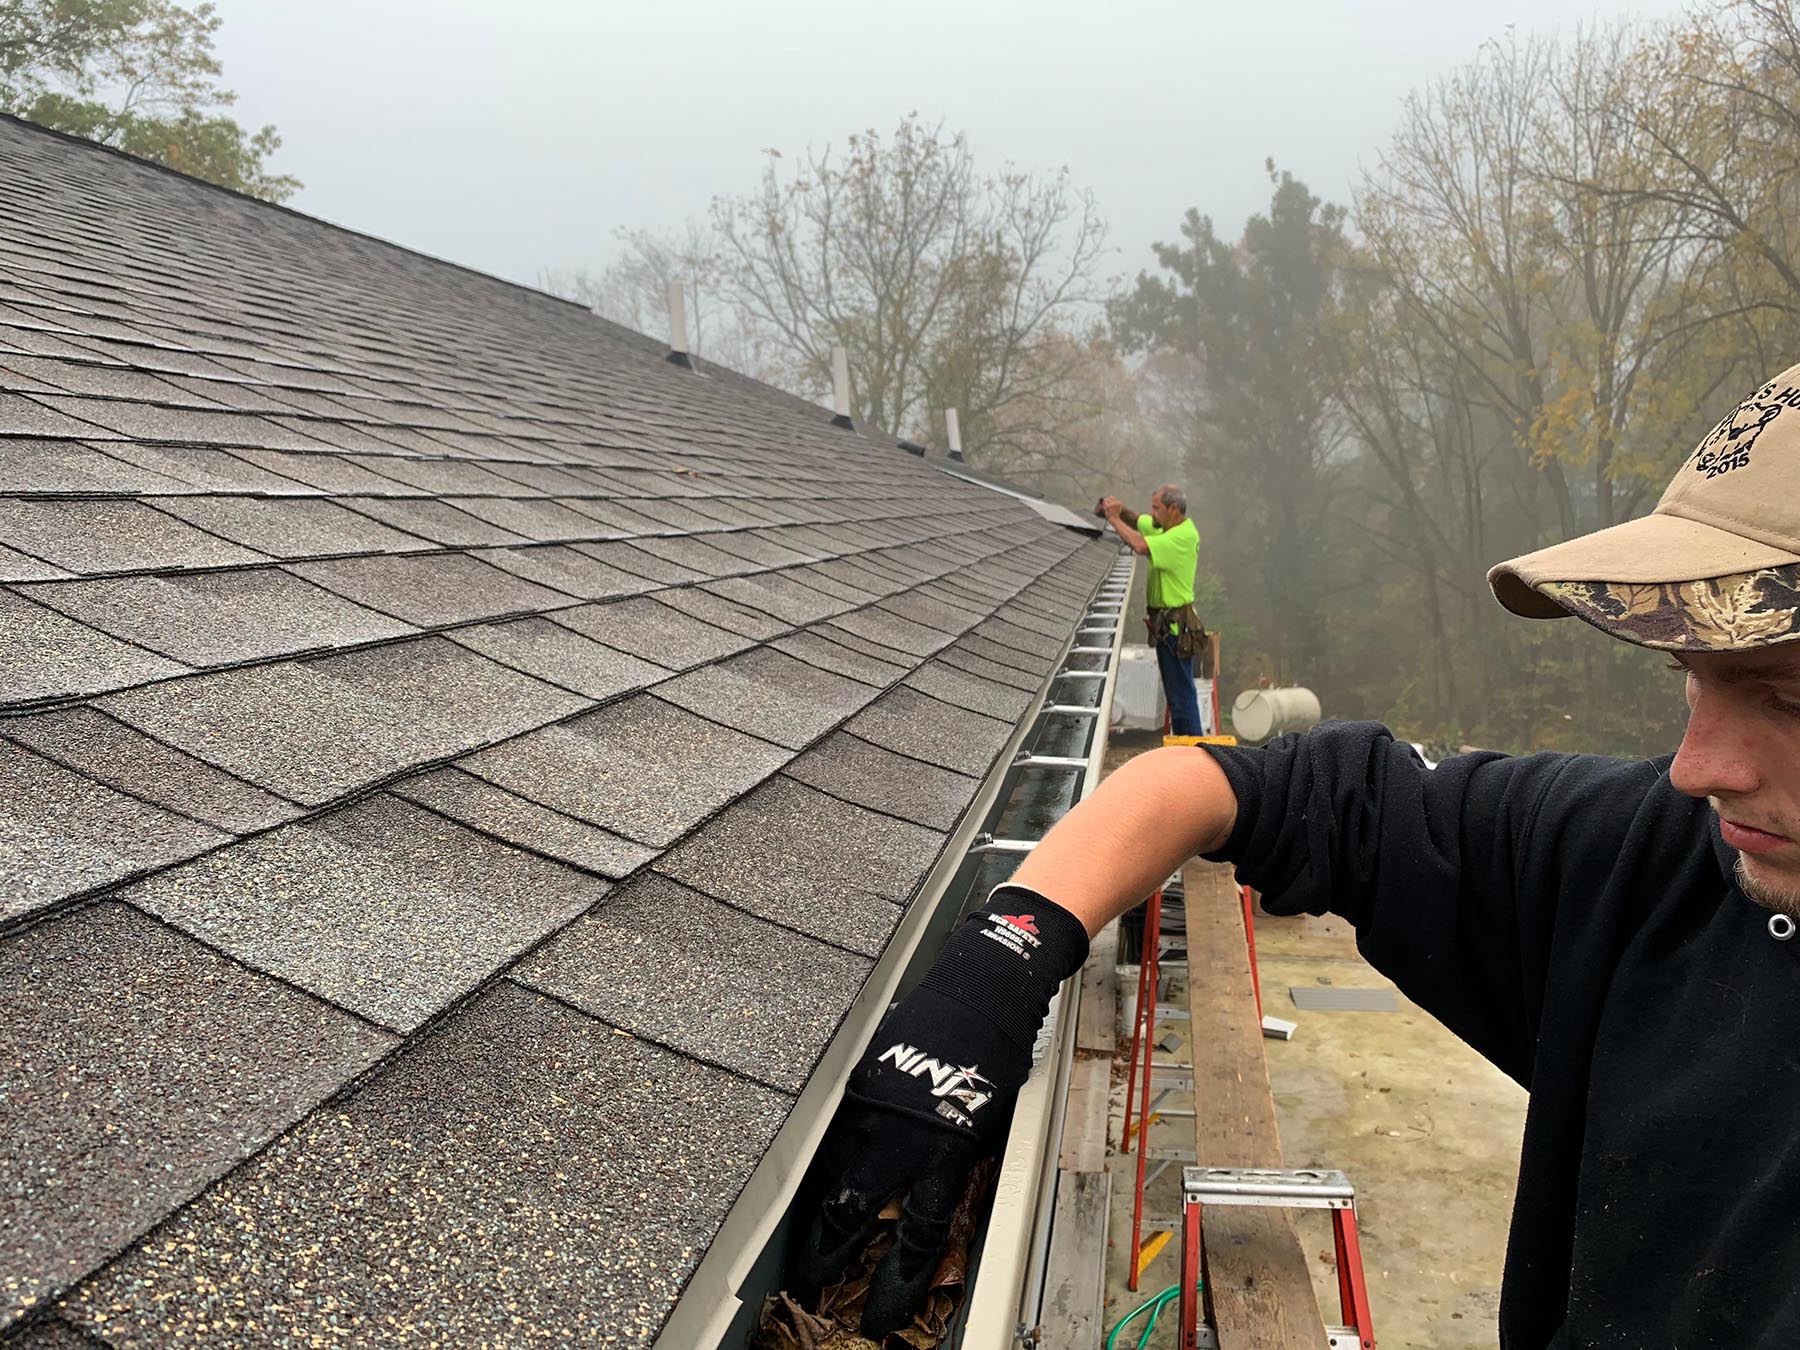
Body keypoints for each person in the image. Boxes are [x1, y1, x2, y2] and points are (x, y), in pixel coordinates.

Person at [800, 362, 1800, 1346]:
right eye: (1690, 679)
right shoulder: (1653, 868)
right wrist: (1004, 959)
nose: (1696, 768)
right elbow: (1248, 787)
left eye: (1785, 700)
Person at [1099, 485, 1205, 735]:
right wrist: (1120, 510)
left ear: (1174, 509)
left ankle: (1192, 751)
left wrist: (1113, 518)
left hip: (1176, 629)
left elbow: (1139, 544)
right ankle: (1187, 748)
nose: (1152, 513)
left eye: (1157, 508)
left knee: (1181, 697)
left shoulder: (1182, 537)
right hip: (1168, 627)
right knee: (1177, 695)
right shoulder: (1166, 527)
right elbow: (1139, 522)